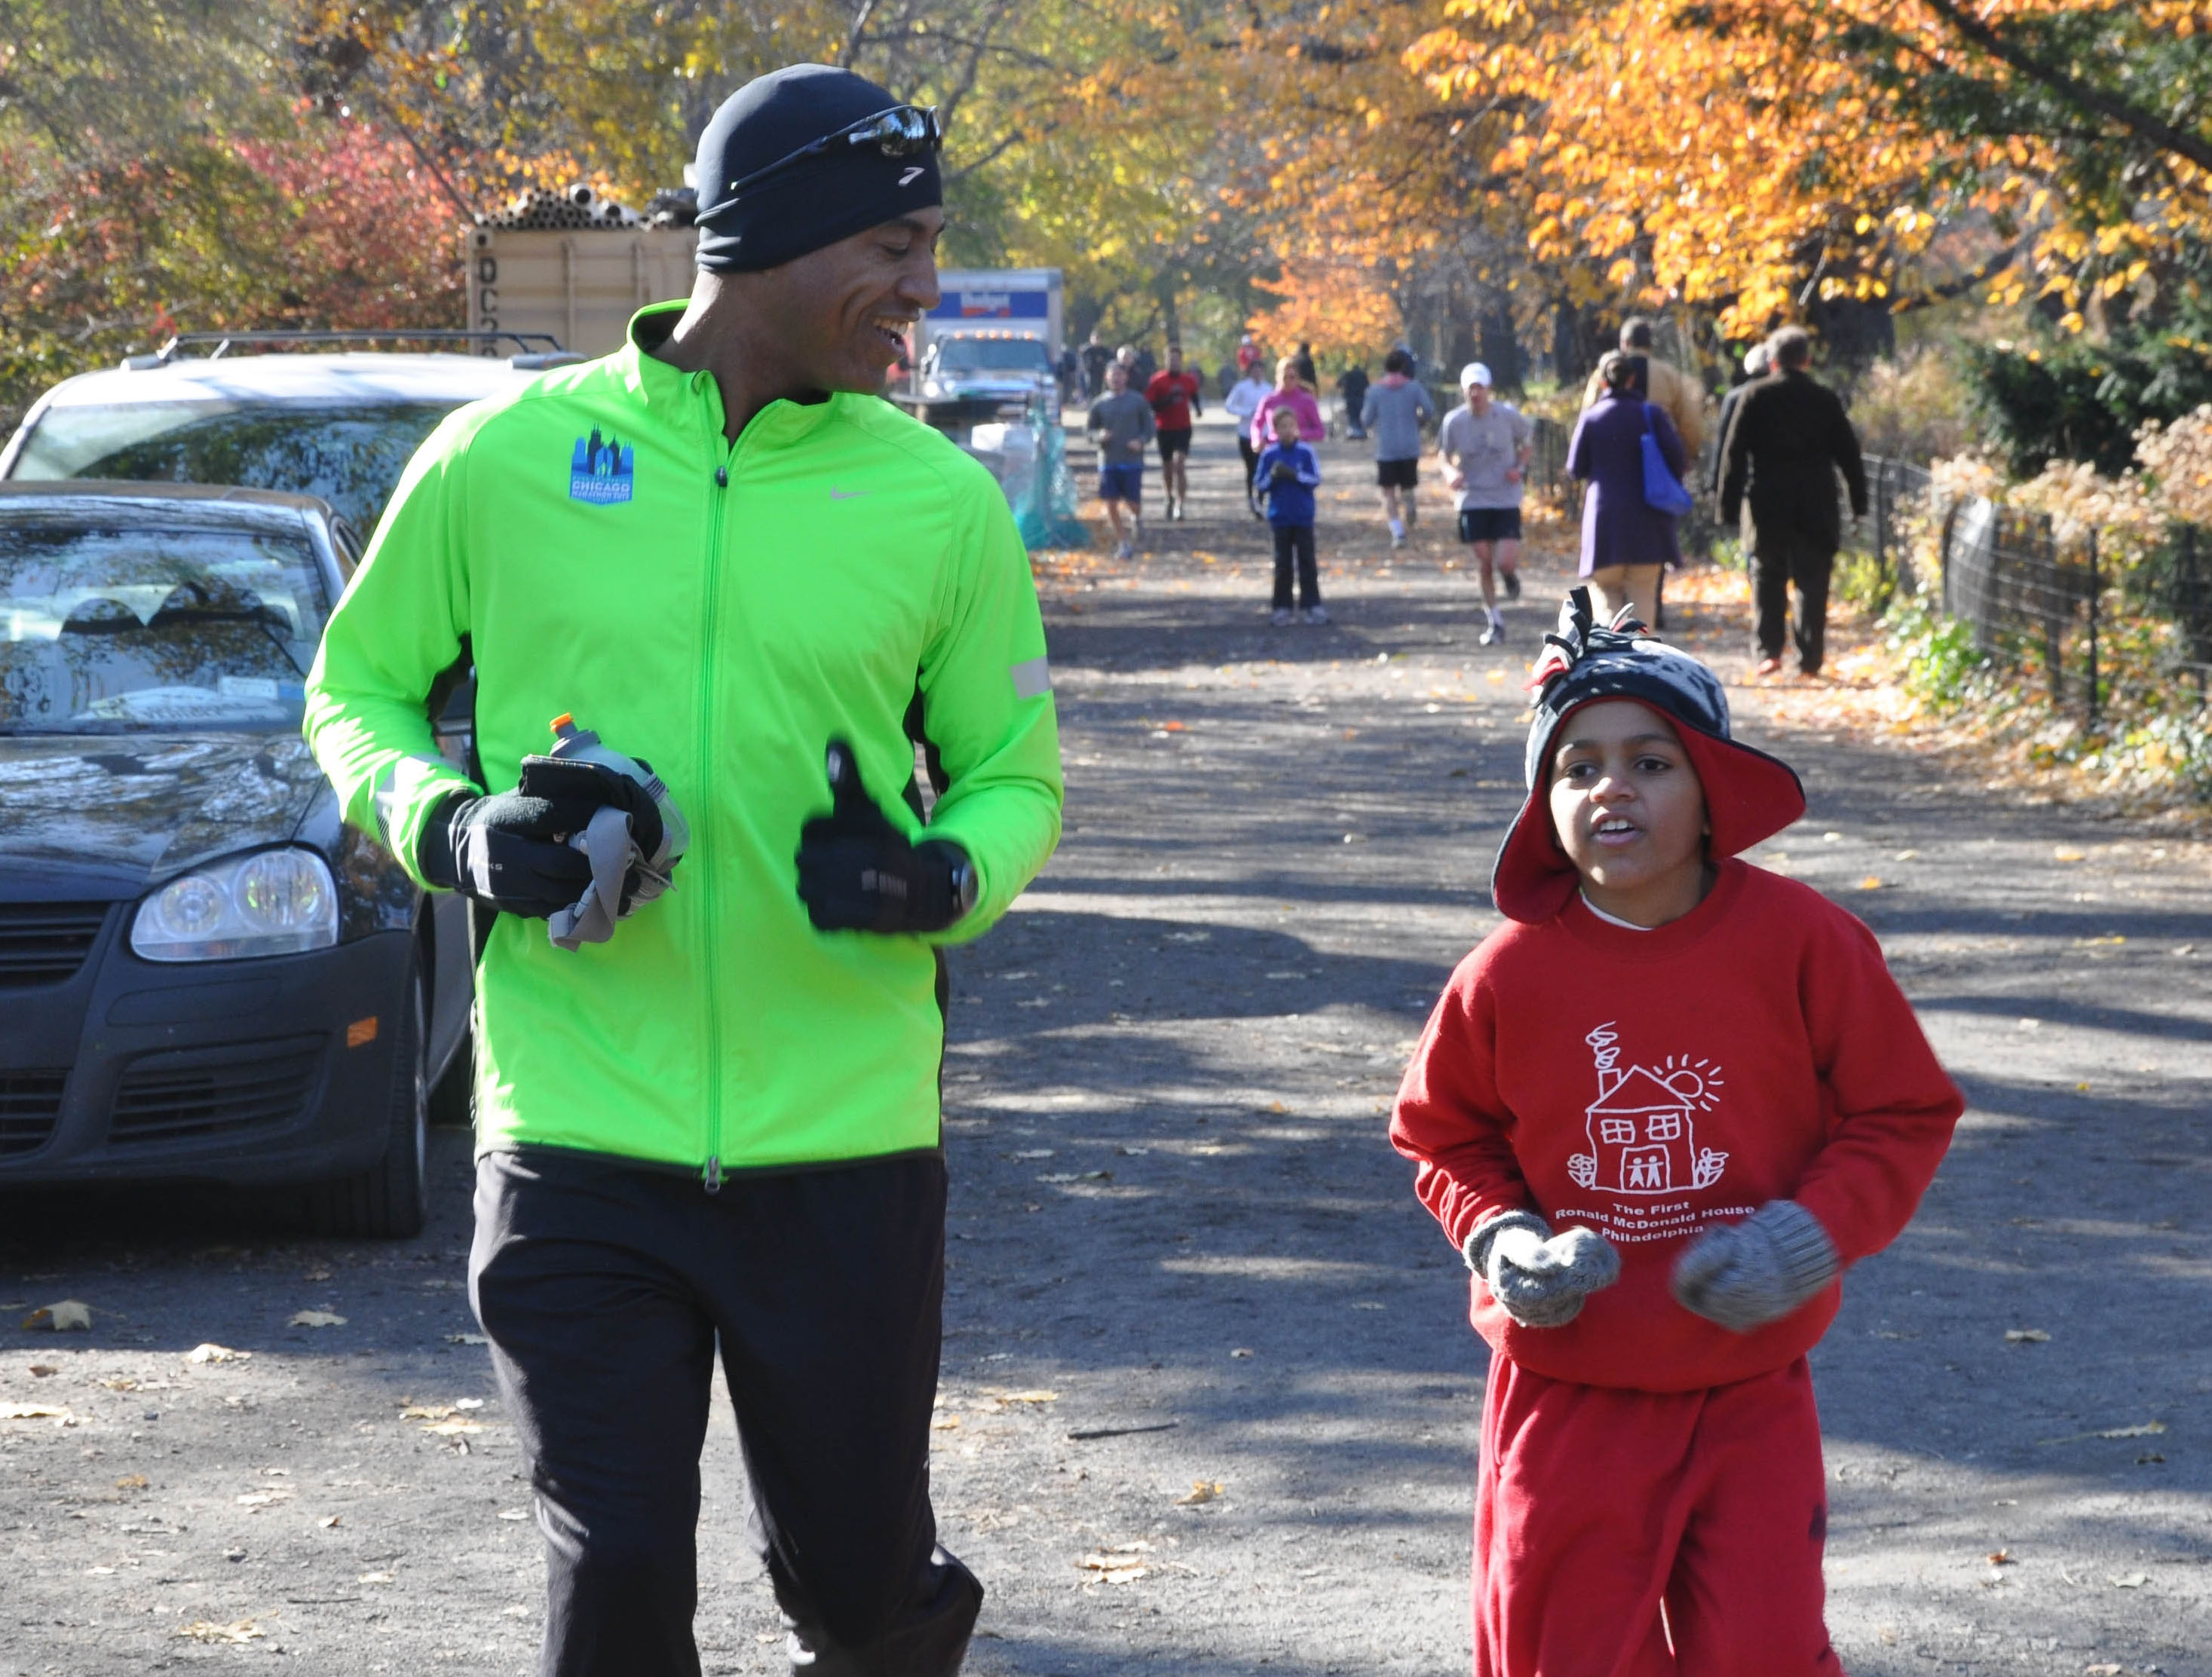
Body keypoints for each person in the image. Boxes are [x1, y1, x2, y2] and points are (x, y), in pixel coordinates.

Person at [302, 63, 1065, 1677]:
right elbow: (353, 689)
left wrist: (941, 879)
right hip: (580, 1132)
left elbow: (1016, 780)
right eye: (897, 244)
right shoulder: (506, 453)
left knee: (864, 1596)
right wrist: (456, 827)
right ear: (774, 236)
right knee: (624, 1566)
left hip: (844, 1141)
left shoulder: (934, 502)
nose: (924, 288)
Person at [1391, 590, 1962, 1677]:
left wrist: (1803, 1237)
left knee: (1763, 1651)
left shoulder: (1806, 943)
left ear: (1710, 792)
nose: (1613, 785)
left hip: (1747, 1383)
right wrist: (1505, 1241)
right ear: (1543, 808)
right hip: (1567, 1391)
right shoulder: (1504, 976)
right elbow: (1441, 1137)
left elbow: (1902, 1112)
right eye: (1578, 767)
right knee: (1559, 1656)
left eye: (1650, 761)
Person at [1719, 326, 1868, 678]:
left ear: (1772, 361)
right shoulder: (1825, 399)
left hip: (1766, 501)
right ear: (1807, 360)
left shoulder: (1754, 396)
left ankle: (1769, 652)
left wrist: (1727, 507)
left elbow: (1734, 454)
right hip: (1816, 500)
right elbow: (1849, 455)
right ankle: (1810, 658)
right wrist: (1859, 501)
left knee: (1768, 576)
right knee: (1812, 579)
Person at [1567, 350, 1689, 628]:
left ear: (1603, 383)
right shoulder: (1652, 415)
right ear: (1633, 379)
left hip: (1604, 524)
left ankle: (1615, 657)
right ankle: (1640, 657)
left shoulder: (1592, 418)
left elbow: (1575, 467)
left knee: (1606, 593)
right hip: (1648, 523)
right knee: (1644, 596)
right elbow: (1678, 459)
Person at [1438, 360, 1532, 647]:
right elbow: (1443, 454)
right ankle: (1495, 620)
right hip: (1473, 496)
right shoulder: (1454, 421)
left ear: (1489, 389)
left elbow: (1528, 440)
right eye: (1470, 389)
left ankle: (1510, 576)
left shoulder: (1507, 416)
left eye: (1480, 388)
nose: (1475, 394)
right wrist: (1451, 472)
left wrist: (1521, 467)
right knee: (1484, 560)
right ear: (1464, 391)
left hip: (1505, 495)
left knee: (1503, 560)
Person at [1581, 316, 1706, 461]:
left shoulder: (1605, 374)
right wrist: (1687, 454)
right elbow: (1690, 421)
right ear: (1649, 344)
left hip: (1615, 461)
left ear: (1625, 343)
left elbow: (1588, 413)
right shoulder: (1669, 375)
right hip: (1659, 461)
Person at [1254, 403, 1325, 626]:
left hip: (1303, 515)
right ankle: (1282, 606)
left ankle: (1311, 605)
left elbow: (1315, 479)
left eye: (1290, 426)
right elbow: (1259, 483)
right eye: (1282, 426)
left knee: (1307, 561)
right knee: (1282, 563)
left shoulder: (1306, 452)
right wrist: (1274, 477)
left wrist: (1295, 475)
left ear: (1296, 427)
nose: (1287, 430)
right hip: (1280, 516)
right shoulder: (1269, 454)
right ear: (1275, 429)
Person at [1362, 347, 1435, 548]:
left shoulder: (1375, 391)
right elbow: (1429, 410)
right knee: (1407, 484)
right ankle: (1409, 500)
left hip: (1386, 448)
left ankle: (1398, 532)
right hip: (1409, 445)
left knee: (1388, 491)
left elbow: (1366, 419)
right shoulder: (1414, 388)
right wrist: (1417, 423)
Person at [1088, 358, 1155, 559]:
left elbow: (1150, 428)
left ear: (1126, 377)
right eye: (1112, 375)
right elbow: (1089, 430)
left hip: (1132, 460)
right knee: (1110, 503)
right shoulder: (1099, 403)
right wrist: (1098, 436)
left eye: (1120, 374)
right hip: (1108, 460)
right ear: (1106, 378)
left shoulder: (1138, 401)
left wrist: (1141, 441)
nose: (1116, 379)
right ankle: (1123, 543)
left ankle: (1136, 516)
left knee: (1133, 501)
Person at [1144, 344, 1205, 521]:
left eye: (1177, 359)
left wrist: (1198, 409)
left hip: (1183, 427)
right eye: (1171, 359)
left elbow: (1193, 395)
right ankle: (1168, 496)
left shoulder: (1188, 380)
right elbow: (1152, 405)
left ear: (1181, 360)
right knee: (1168, 468)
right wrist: (1167, 401)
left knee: (1180, 465)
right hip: (1164, 428)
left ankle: (1180, 504)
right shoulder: (1157, 380)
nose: (1174, 362)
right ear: (1166, 360)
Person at [1708, 341, 1771, 497]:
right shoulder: (1784, 395)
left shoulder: (1734, 397)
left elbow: (1723, 442)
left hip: (1747, 482)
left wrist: (1715, 482)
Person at [1223, 360, 1273, 520]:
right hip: (1246, 434)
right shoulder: (1242, 387)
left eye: (1260, 370)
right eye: (1254, 370)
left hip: (1264, 435)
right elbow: (1229, 405)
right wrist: (1246, 412)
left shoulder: (1269, 389)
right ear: (1250, 372)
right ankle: (1251, 497)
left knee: (1263, 466)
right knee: (1251, 468)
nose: (1257, 373)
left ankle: (1260, 498)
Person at [1249, 355, 1324, 458]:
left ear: (1298, 378)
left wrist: (1300, 434)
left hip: (1300, 453)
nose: (1288, 381)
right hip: (1274, 452)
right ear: (1277, 377)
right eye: (1284, 377)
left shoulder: (1307, 400)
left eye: (1292, 377)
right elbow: (1257, 424)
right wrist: (1256, 440)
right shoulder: (1269, 400)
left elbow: (1320, 432)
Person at [1337, 363, 1371, 440]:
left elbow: (1339, 384)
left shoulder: (1348, 374)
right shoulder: (1362, 374)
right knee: (1360, 415)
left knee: (1352, 415)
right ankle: (1361, 432)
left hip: (1349, 397)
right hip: (1360, 397)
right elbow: (1368, 385)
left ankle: (1353, 432)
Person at [1080, 330, 1113, 400]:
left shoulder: (1104, 350)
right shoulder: (1088, 350)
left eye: (1098, 338)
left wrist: (1102, 361)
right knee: (1090, 388)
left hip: (1101, 372)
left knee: (1099, 389)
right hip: (1090, 372)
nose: (1097, 341)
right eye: (1095, 338)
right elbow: (1083, 360)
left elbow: (1109, 360)